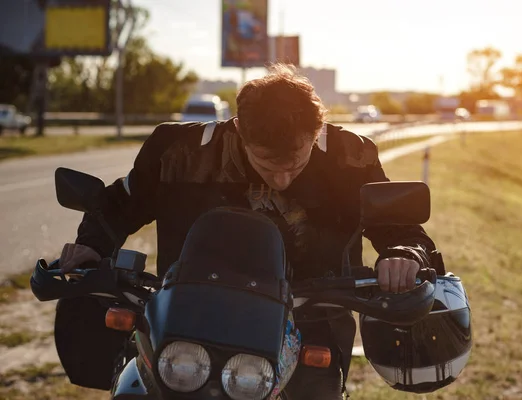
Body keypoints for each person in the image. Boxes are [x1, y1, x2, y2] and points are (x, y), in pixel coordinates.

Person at [59, 63, 439, 399]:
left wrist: (403, 253)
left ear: (317, 129)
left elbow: (396, 224)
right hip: (187, 317)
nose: (282, 177)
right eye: (268, 162)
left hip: (309, 322)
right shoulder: (181, 152)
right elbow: (119, 204)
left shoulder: (348, 157)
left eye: (296, 161)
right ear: (239, 130)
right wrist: (90, 247)